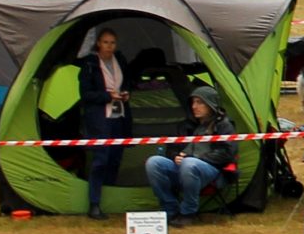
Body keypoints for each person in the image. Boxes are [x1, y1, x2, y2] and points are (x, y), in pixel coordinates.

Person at [145, 85, 236, 223]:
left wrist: (195, 158)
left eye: (200, 102)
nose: (194, 106)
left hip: (211, 171)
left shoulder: (224, 126)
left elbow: (227, 153)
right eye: (193, 102)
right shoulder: (186, 125)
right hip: (183, 166)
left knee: (189, 163)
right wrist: (175, 156)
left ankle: (188, 213)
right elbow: (171, 147)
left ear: (211, 105)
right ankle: (170, 210)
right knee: (153, 162)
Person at [77, 26, 132, 218]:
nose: (109, 46)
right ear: (98, 43)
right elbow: (85, 94)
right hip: (99, 118)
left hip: (119, 116)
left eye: (112, 43)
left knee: (115, 158)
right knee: (101, 159)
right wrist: (108, 96)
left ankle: (110, 198)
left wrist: (125, 94)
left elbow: (127, 82)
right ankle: (94, 203)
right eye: (105, 42)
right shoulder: (89, 64)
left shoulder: (120, 61)